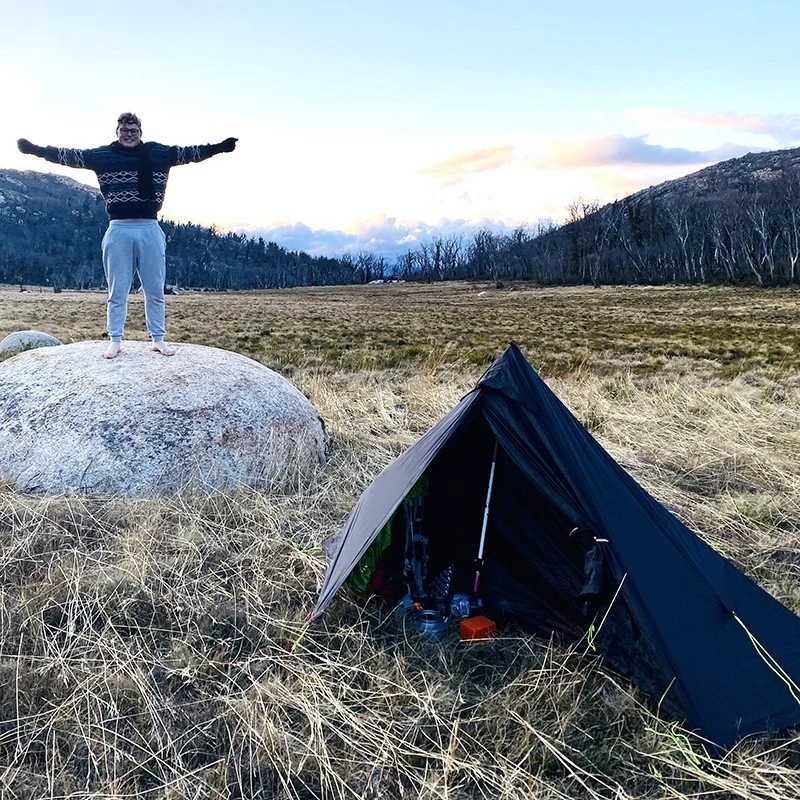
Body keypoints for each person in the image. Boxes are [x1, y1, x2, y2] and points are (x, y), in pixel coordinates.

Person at [17, 113, 237, 359]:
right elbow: (68, 156)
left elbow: (191, 153)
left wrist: (219, 147)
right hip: (119, 228)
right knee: (117, 289)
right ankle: (115, 340)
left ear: (140, 133)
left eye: (133, 130)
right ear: (117, 132)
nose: (129, 134)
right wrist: (35, 150)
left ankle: (158, 339)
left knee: (154, 288)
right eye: (124, 130)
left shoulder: (159, 153)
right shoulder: (101, 156)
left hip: (150, 228)